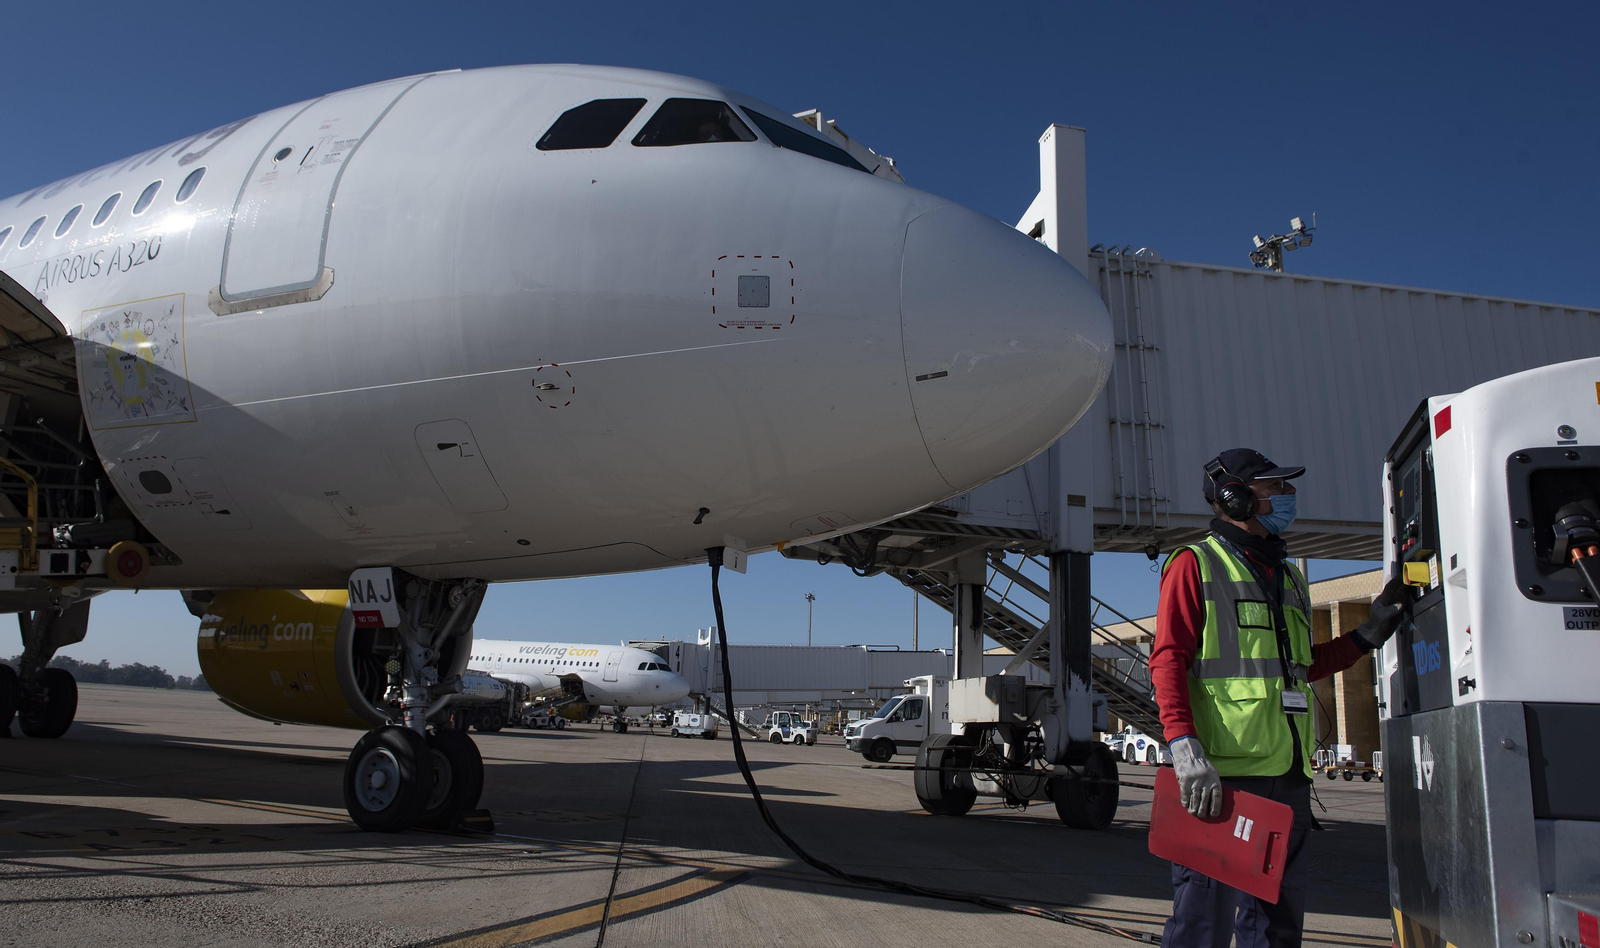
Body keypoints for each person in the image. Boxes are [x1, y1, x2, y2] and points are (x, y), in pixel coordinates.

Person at [1152, 448, 1408, 948]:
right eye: (1276, 487)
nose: (1289, 496)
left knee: (1277, 924)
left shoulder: (1289, 576)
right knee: (1202, 921)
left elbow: (1300, 664)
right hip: (1224, 776)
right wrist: (1183, 745)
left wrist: (1368, 635)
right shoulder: (1194, 564)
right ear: (1236, 497)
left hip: (1289, 775)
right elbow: (1168, 660)